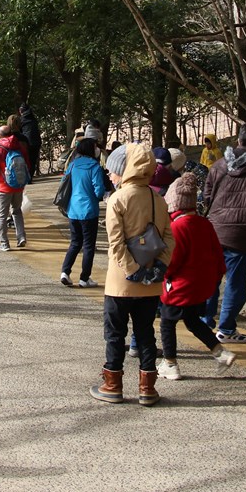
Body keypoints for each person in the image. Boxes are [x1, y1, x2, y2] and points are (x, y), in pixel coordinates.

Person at [89, 144, 174, 407]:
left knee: (115, 333)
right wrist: (158, 266)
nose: (111, 176)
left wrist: (132, 270)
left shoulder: (117, 199)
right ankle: (147, 389)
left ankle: (112, 384)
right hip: (151, 282)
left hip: (120, 284)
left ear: (124, 171)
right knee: (146, 333)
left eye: (114, 171)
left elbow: (115, 243)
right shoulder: (158, 199)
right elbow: (168, 237)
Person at [200, 123, 246, 343]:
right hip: (241, 236)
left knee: (211, 279)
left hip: (213, 230)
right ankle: (226, 328)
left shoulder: (219, 166)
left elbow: (206, 196)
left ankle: (206, 320)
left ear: (238, 140)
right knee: (235, 283)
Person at [156, 172, 235, 381]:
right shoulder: (204, 223)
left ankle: (170, 363)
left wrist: (162, 275)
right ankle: (221, 353)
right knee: (192, 321)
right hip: (202, 284)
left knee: (167, 322)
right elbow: (218, 254)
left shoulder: (177, 227)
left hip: (181, 286)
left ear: (173, 203)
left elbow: (173, 261)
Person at [59, 137, 106, 288]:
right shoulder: (95, 167)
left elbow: (64, 183)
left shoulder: (73, 165)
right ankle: (84, 278)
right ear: (91, 150)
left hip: (73, 210)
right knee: (88, 245)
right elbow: (98, 190)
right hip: (89, 211)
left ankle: (65, 272)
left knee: (75, 243)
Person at [0, 125, 28, 252]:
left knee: (1, 216)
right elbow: (27, 163)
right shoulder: (19, 147)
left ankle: (4, 244)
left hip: (3, 187)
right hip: (18, 187)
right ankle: (21, 237)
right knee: (17, 211)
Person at [18, 104, 42, 178]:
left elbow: (19, 131)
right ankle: (30, 176)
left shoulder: (21, 120)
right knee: (33, 160)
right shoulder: (33, 119)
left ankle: (26, 177)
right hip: (36, 141)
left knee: (26, 160)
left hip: (27, 142)